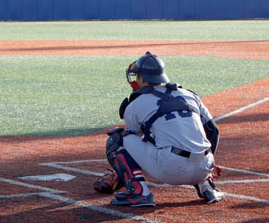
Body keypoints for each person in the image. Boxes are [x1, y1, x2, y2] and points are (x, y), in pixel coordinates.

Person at [94, 51, 223, 207]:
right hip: (204, 167)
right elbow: (213, 131)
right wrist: (208, 169)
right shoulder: (189, 94)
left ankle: (139, 192)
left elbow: (131, 144)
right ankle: (206, 185)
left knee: (117, 138)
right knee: (179, 139)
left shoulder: (135, 104)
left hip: (171, 170)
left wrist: (119, 174)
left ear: (142, 78)